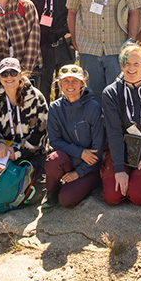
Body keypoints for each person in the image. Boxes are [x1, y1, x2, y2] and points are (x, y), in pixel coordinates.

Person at [100, 43, 141, 206]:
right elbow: (114, 132)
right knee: (112, 196)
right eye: (127, 63)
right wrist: (119, 169)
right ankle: (125, 174)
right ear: (121, 65)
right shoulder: (111, 93)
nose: (131, 68)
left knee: (138, 196)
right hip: (121, 151)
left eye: (136, 63)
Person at [43, 64, 104, 208]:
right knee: (53, 159)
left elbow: (98, 148)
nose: (70, 85)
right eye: (66, 81)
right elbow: (55, 141)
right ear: (60, 84)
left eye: (75, 81)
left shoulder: (93, 108)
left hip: (89, 167)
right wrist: (80, 152)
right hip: (67, 161)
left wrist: (79, 173)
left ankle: (85, 185)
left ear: (82, 83)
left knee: (66, 200)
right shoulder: (55, 108)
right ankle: (51, 190)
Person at [23, 0, 74, 99]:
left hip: (64, 43)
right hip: (42, 45)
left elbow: (78, 12)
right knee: (42, 88)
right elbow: (26, 16)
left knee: (67, 86)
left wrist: (73, 37)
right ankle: (44, 120)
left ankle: (66, 120)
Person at [0, 57, 49, 165]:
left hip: (31, 152)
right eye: (4, 74)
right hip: (4, 151)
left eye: (13, 73)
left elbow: (42, 132)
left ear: (20, 75)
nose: (9, 77)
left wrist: (18, 152)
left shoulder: (36, 97)